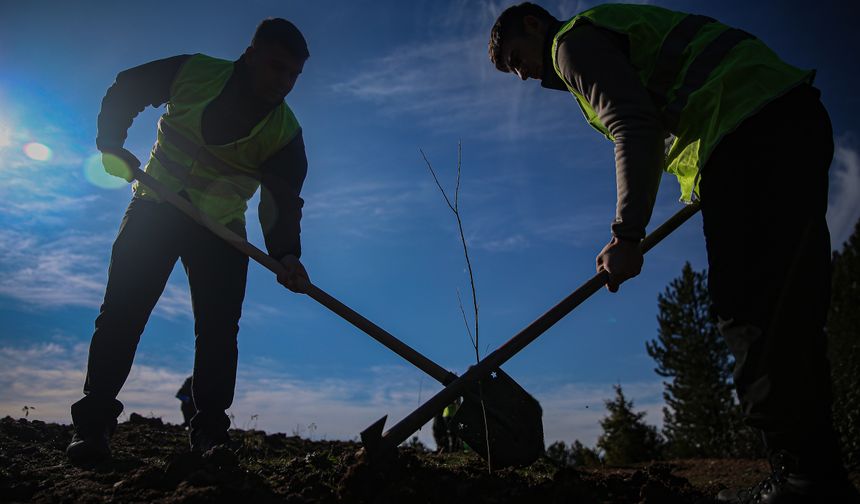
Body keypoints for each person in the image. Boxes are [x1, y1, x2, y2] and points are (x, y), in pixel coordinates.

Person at [488, 3, 858, 503]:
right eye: (512, 70)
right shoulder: (603, 36)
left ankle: (802, 483)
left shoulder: (571, 43)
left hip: (745, 135)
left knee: (751, 315)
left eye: (516, 57)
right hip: (785, 118)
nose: (523, 74)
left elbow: (633, 126)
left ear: (534, 24)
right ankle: (818, 478)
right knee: (790, 312)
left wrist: (626, 235)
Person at [66, 18, 312, 464]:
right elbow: (128, 88)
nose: (285, 83)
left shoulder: (285, 134)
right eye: (277, 68)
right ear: (251, 54)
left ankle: (211, 436)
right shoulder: (194, 72)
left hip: (220, 231)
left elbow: (281, 204)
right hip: (155, 207)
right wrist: (110, 144)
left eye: (294, 75)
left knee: (219, 332)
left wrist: (287, 255)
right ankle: (93, 426)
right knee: (123, 312)